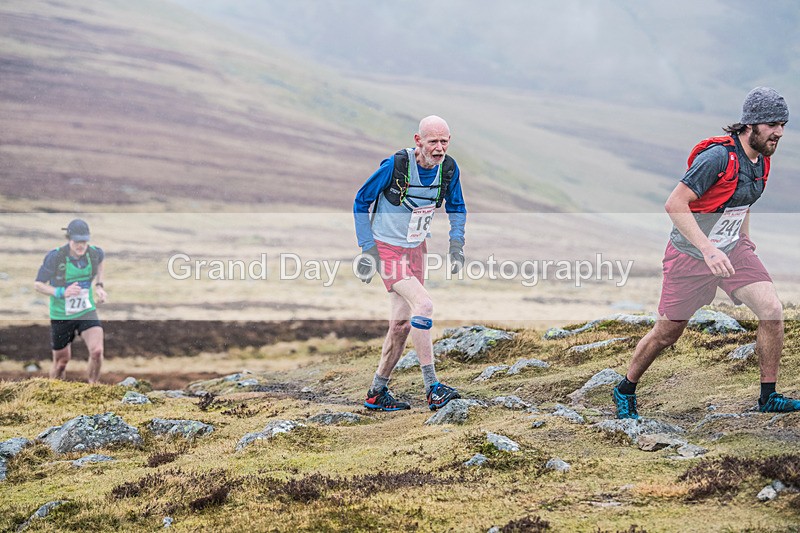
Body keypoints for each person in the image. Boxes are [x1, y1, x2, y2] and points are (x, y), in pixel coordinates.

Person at [614, 87, 799, 418]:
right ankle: (624, 388)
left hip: (732, 251)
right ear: (751, 124)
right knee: (667, 334)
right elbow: (675, 203)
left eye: (783, 124)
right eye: (773, 124)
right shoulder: (716, 158)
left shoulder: (762, 160)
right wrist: (708, 249)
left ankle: (767, 396)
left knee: (771, 309)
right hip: (689, 256)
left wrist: (745, 240)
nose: (780, 132)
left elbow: (742, 202)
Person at [354, 115, 467, 411]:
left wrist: (457, 243)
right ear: (418, 141)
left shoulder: (449, 169)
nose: (439, 148)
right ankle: (433, 388)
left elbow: (457, 206)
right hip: (386, 250)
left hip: (416, 249)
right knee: (425, 305)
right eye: (433, 141)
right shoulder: (396, 166)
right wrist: (367, 249)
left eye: (445, 141)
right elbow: (360, 201)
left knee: (402, 325)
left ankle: (376, 393)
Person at [34, 219, 107, 383]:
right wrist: (61, 292)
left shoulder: (95, 253)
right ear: (69, 239)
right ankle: (54, 394)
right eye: (77, 242)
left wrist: (99, 286)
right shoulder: (55, 257)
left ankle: (93, 387)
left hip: (86, 311)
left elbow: (101, 262)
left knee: (96, 352)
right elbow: (38, 284)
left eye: (84, 241)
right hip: (61, 314)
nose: (81, 246)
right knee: (61, 363)